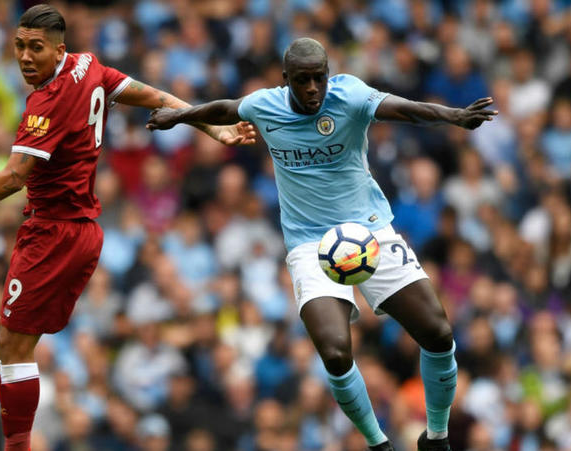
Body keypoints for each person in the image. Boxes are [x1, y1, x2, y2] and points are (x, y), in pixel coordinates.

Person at [0, 5, 256, 451]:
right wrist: (216, 131)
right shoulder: (88, 66)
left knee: (10, 347)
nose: (25, 57)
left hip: (53, 234)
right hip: (84, 229)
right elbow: (156, 97)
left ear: (59, 49)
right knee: (5, 339)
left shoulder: (45, 103)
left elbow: (15, 176)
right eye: (19, 46)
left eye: (36, 48)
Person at [147, 37, 498, 451]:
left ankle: (436, 436)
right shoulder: (266, 105)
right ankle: (378, 443)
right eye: (302, 81)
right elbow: (225, 107)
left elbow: (404, 109)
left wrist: (454, 116)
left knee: (438, 333)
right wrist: (181, 116)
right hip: (310, 245)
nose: (313, 88)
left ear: (328, 75)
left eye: (319, 78)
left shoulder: (350, 95)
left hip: (370, 232)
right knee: (334, 353)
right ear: (286, 80)